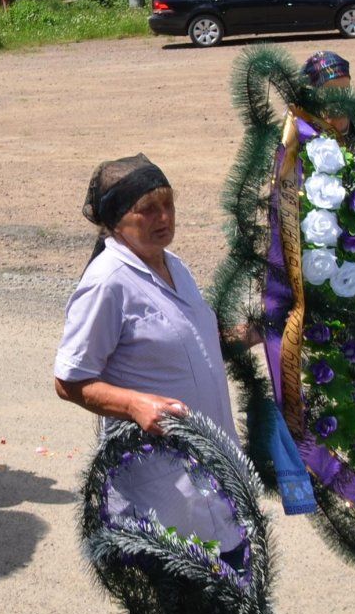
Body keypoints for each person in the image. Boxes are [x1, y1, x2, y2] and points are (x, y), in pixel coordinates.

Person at [53, 155, 247, 565]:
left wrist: (254, 334)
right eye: (148, 210)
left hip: (214, 480)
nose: (164, 217)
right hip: (161, 498)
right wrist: (136, 405)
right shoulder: (107, 282)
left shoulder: (174, 265)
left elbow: (192, 343)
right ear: (118, 220)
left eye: (169, 205)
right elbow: (69, 379)